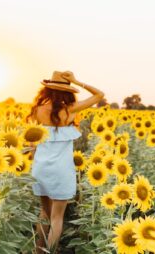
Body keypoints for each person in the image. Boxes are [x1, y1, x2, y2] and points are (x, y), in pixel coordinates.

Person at [27, 70, 104, 253]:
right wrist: (77, 81)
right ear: (67, 91)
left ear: (47, 90)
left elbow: (32, 143)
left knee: (44, 214)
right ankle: (51, 252)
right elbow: (99, 95)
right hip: (61, 170)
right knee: (56, 218)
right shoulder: (69, 110)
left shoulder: (38, 110)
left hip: (41, 168)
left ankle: (39, 251)